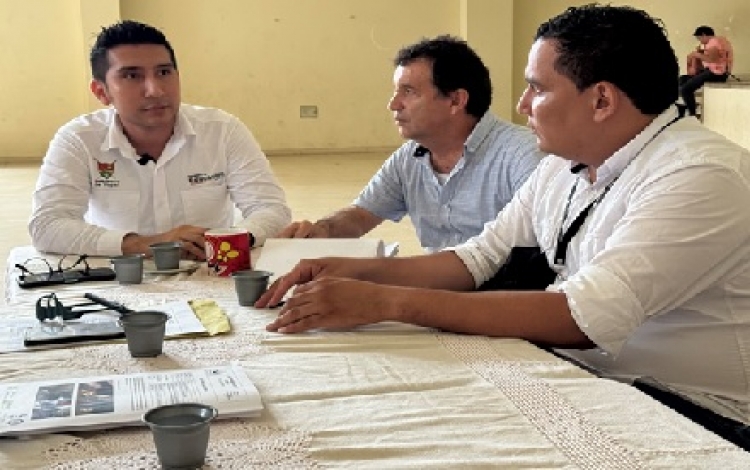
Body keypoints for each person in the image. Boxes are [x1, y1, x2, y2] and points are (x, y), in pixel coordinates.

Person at [258, 5, 750, 449]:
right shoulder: (565, 165)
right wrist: (344, 271)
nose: (520, 105)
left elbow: (580, 318)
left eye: (537, 88)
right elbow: (476, 259)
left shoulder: (699, 174)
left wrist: (384, 302)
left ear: (601, 100)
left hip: (695, 413)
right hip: (595, 380)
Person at [29, 20, 291, 258]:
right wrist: (146, 244)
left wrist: (224, 241)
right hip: (122, 277)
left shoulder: (223, 131)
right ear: (101, 91)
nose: (155, 90)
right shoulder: (78, 140)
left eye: (164, 72)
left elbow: (271, 210)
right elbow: (47, 226)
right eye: (132, 76)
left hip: (211, 269)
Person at [277, 35, 543, 252]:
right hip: (441, 291)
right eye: (396, 92)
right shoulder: (409, 158)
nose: (394, 105)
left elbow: (537, 257)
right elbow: (361, 215)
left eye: (409, 92)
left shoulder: (522, 156)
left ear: (455, 101)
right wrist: (321, 230)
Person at [679, 25, 733, 116]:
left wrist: (696, 54)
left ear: (704, 35)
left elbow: (712, 59)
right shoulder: (721, 40)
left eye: (699, 38)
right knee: (682, 79)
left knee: (685, 89)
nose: (700, 41)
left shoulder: (713, 42)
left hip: (716, 73)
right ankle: (690, 104)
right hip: (718, 72)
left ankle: (692, 113)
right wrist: (701, 53)